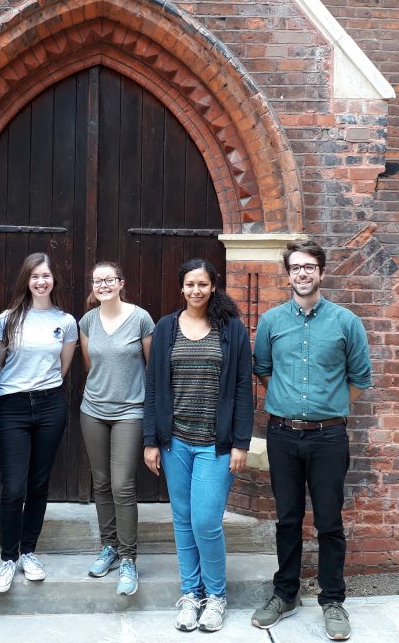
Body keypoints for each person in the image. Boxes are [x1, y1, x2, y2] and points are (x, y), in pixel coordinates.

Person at [250, 239, 372, 641]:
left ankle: (332, 600)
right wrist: (288, 403)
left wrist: (329, 406)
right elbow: (263, 369)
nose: (302, 274)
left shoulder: (345, 322)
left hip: (328, 437)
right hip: (282, 435)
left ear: (321, 271)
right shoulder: (271, 321)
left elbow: (360, 378)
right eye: (295, 268)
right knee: (287, 518)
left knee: (329, 521)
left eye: (309, 267)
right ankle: (285, 594)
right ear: (288, 274)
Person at [143, 258, 253, 633]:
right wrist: (151, 440)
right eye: (190, 284)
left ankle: (216, 596)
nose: (196, 290)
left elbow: (243, 389)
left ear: (213, 286)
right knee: (183, 521)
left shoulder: (232, 329)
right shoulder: (166, 327)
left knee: (205, 521)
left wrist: (241, 443)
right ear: (181, 287)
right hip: (175, 442)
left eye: (202, 284)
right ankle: (191, 594)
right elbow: (153, 387)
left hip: (215, 445)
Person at [0, 252, 78, 593]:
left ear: (54, 280)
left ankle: (28, 552)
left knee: (39, 483)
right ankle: (7, 558)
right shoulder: (8, 319)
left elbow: (63, 368)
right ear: (26, 280)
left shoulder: (66, 322)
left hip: (49, 405)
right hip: (11, 405)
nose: (41, 281)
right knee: (14, 487)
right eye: (35, 276)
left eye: (46, 276)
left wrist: (41, 389)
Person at [79, 261, 155, 595]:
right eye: (98, 281)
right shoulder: (87, 321)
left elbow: (152, 368)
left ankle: (128, 557)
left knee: (122, 484)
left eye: (109, 280)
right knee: (101, 482)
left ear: (121, 283)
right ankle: (109, 547)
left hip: (130, 411)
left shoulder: (141, 318)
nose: (103, 285)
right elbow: (90, 365)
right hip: (93, 410)